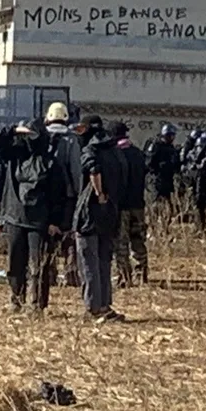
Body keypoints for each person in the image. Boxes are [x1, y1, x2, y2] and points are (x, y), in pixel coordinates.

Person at [0, 120, 70, 313]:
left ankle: (37, 304)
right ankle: (16, 299)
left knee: (39, 266)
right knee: (15, 264)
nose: (29, 139)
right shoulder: (15, 157)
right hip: (15, 217)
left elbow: (58, 195)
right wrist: (12, 129)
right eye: (26, 136)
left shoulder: (50, 163)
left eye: (32, 135)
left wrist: (55, 222)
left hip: (40, 222)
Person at [74, 115, 127, 323]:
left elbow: (93, 170)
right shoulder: (115, 151)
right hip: (111, 214)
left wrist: (99, 193)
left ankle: (93, 308)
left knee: (88, 261)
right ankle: (105, 304)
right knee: (105, 260)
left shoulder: (90, 150)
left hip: (91, 213)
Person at [45, 102, 82, 287]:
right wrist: (78, 192)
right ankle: (71, 274)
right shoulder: (71, 140)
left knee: (47, 236)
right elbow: (76, 169)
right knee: (69, 235)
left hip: (44, 196)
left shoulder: (41, 137)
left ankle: (48, 273)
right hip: (66, 195)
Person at [110, 121, 148, 287]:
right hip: (138, 204)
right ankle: (142, 274)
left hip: (122, 206)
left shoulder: (115, 155)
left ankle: (125, 276)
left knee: (121, 242)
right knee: (138, 240)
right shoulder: (138, 154)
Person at [146, 123, 180, 208]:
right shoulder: (156, 146)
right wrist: (160, 168)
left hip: (168, 180)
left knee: (168, 204)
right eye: (170, 136)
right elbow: (149, 163)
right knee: (156, 204)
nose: (172, 138)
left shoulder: (171, 148)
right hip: (157, 180)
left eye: (173, 136)